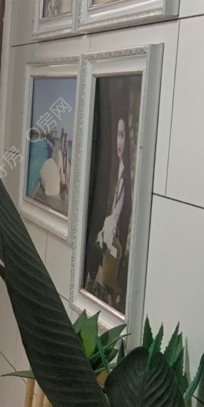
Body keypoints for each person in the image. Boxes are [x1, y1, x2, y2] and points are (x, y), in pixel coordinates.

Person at [92, 115, 132, 307]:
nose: (119, 141)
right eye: (117, 135)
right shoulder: (116, 170)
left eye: (122, 135)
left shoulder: (126, 176)